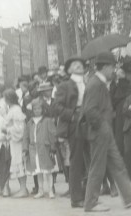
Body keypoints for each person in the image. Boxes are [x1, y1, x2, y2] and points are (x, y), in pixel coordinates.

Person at [79, 52, 131, 212]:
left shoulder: (99, 83)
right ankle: (90, 203)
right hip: (100, 131)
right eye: (112, 66)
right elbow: (90, 110)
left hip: (104, 130)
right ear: (104, 67)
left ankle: (129, 197)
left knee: (117, 164)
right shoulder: (95, 84)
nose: (114, 70)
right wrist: (102, 126)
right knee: (97, 167)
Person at [54, 56, 86, 208]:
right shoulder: (65, 86)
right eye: (74, 64)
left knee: (90, 159)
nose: (78, 66)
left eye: (80, 64)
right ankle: (76, 198)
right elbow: (57, 107)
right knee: (76, 160)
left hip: (90, 122)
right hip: (75, 124)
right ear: (68, 70)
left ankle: (88, 194)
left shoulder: (88, 83)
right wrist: (72, 115)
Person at [23, 97, 57, 199]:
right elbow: (26, 137)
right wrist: (25, 149)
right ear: (32, 110)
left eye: (39, 109)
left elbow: (53, 134)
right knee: (38, 172)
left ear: (43, 109)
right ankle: (41, 190)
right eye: (35, 109)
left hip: (45, 149)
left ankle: (50, 190)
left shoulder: (47, 121)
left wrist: (53, 147)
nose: (37, 111)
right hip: (34, 150)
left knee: (48, 171)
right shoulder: (30, 122)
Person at [4, 88, 29, 198]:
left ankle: (23, 189)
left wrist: (7, 130)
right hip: (13, 141)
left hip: (17, 141)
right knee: (16, 163)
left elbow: (20, 128)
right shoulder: (12, 109)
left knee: (19, 163)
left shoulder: (16, 110)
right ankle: (23, 188)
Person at [110, 59, 131, 157]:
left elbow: (113, 98)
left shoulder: (117, 84)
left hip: (119, 113)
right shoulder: (127, 85)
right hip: (125, 111)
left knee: (120, 135)